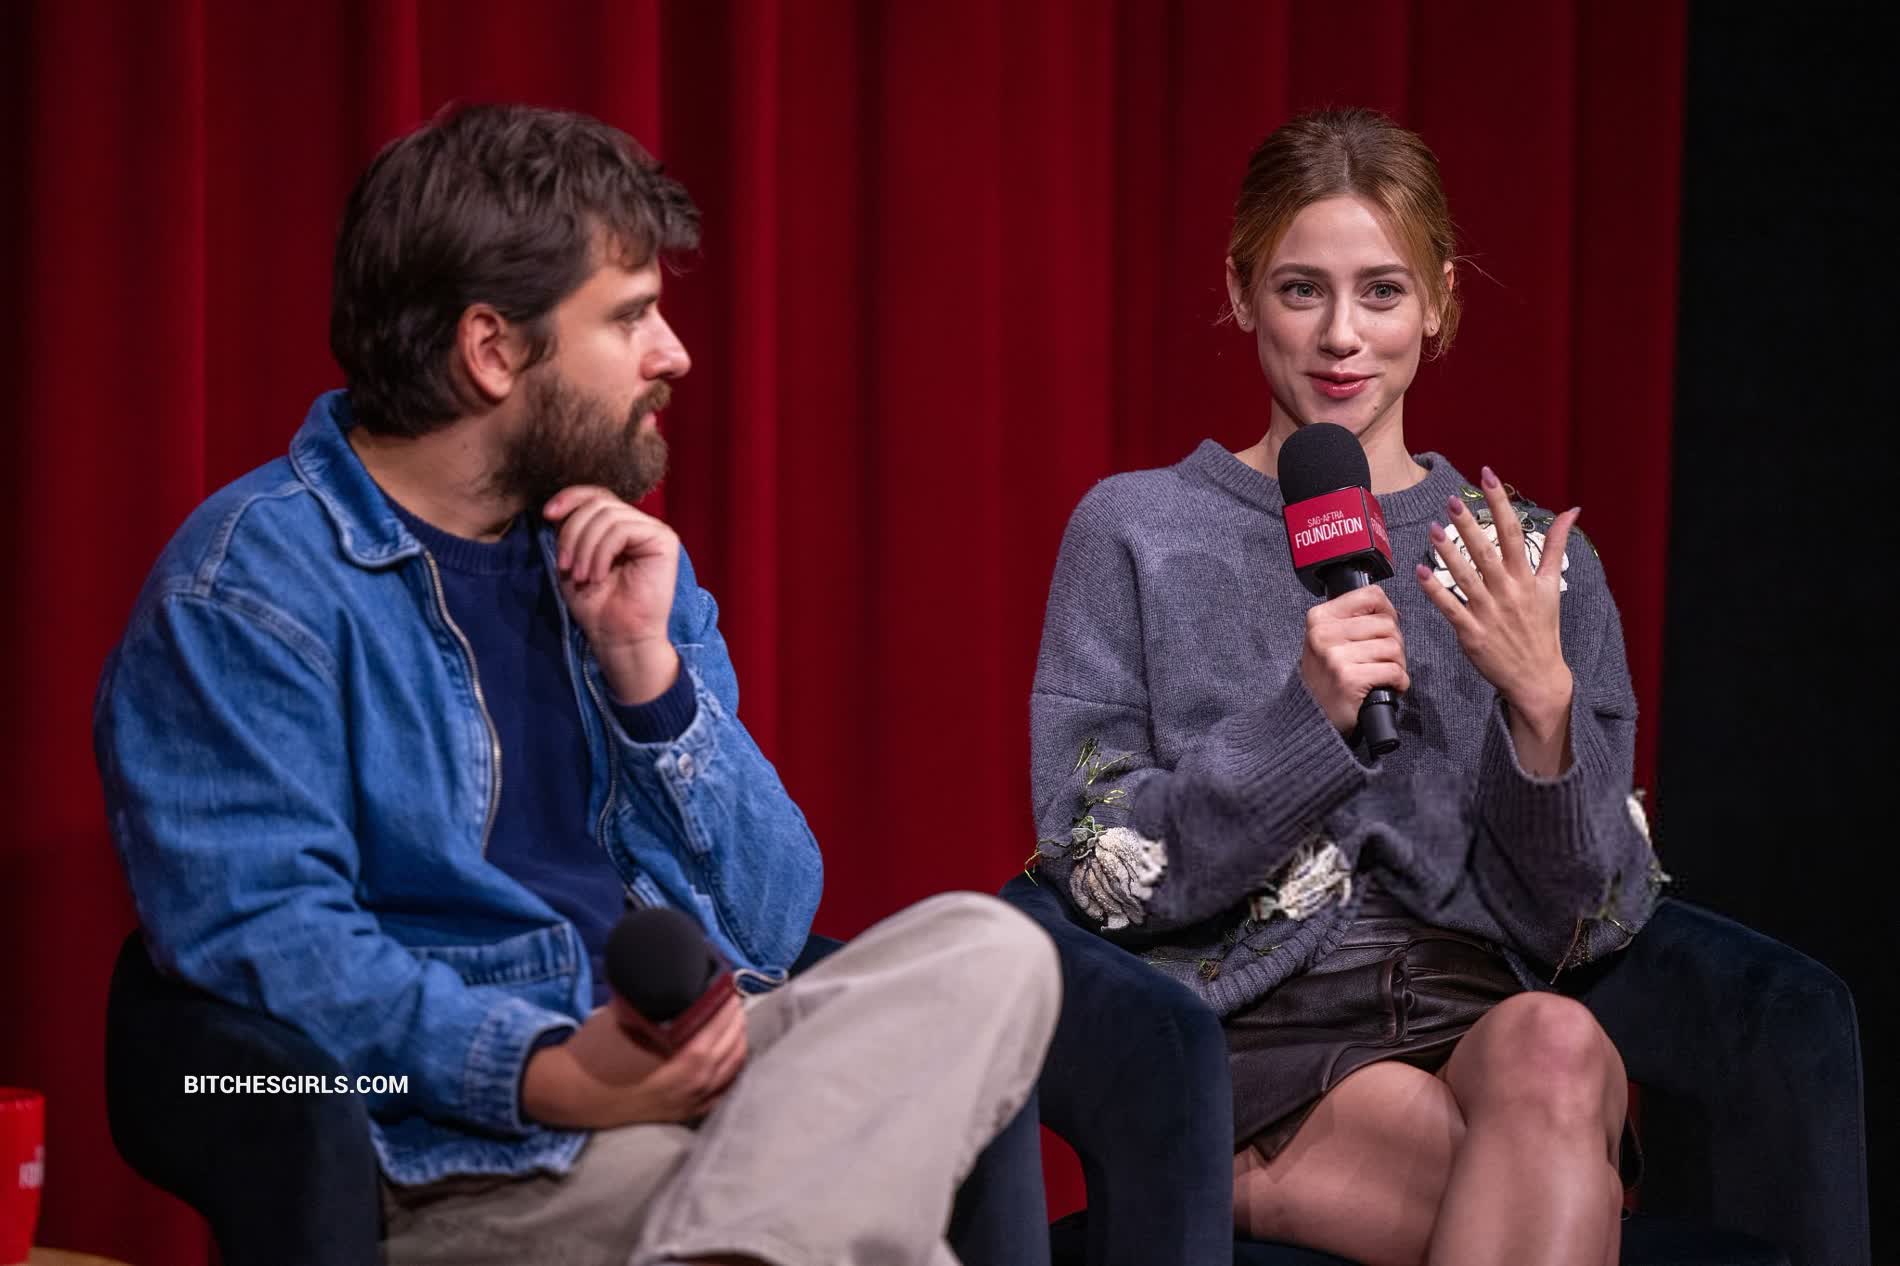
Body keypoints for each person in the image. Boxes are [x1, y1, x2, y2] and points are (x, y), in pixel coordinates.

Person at [94, 103, 1058, 1266]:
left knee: (990, 949)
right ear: (492, 351)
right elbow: (274, 946)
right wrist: (548, 1074)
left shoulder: (617, 564)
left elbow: (771, 921)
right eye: (632, 316)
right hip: (476, 1149)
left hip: (709, 1074)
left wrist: (649, 679)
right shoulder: (248, 590)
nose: (675, 355)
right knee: (823, 1213)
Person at [1028, 107, 1662, 1266]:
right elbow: (1103, 865)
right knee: (1552, 1185)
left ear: (1439, 303)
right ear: (1239, 294)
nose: (1339, 337)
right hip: (1252, 1023)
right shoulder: (1136, 531)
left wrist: (1541, 711)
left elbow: (1587, 922)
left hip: (1472, 1008)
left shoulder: (1526, 562)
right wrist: (1302, 724)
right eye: (1298, 290)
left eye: (1380, 292)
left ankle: (1291, 1191)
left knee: (1562, 1049)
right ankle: (1254, 1172)